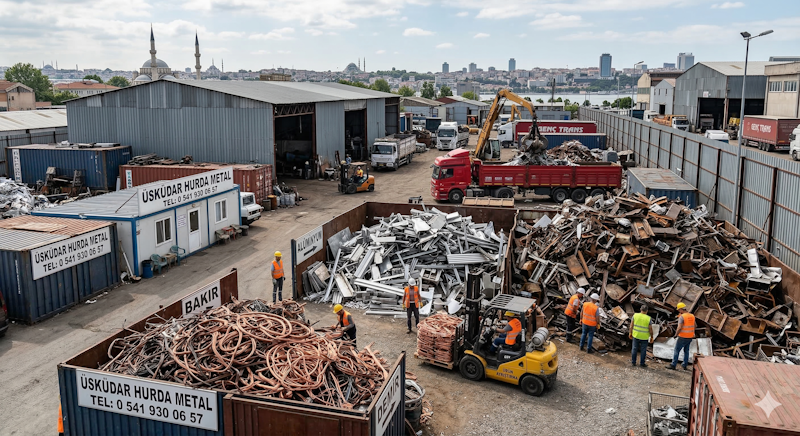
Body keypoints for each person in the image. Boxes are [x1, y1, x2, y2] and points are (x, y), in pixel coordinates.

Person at [666, 302, 695, 370]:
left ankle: (673, 365)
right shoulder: (692, 316)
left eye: (679, 310)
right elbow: (695, 325)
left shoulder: (682, 317)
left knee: (676, 350)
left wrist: (676, 335)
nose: (679, 311)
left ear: (681, 309)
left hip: (682, 337)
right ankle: (684, 365)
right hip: (690, 337)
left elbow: (679, 327)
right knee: (686, 351)